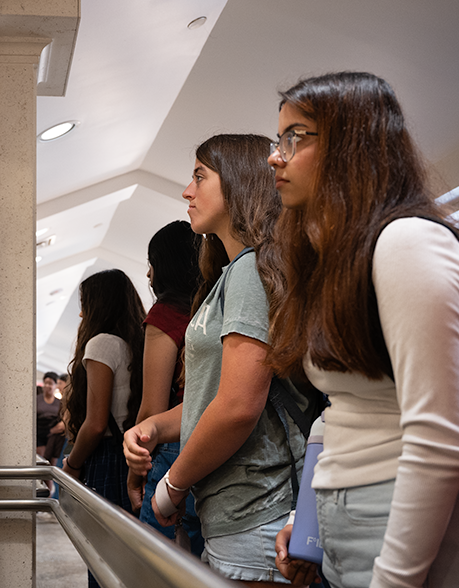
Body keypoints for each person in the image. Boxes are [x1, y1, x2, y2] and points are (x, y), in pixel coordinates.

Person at [266, 72, 459, 588]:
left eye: (296, 137)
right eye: (278, 139)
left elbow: (438, 438)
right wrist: (304, 521)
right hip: (350, 521)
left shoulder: (407, 243)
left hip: (418, 521)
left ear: (351, 146)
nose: (276, 156)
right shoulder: (342, 256)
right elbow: (343, 413)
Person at [124, 134, 309, 587]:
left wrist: (172, 486)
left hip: (255, 512)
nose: (187, 191)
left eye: (199, 176)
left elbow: (239, 406)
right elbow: (213, 397)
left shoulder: (250, 269)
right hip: (234, 514)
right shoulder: (231, 274)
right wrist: (154, 428)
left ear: (239, 184)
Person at [126, 220, 205, 555]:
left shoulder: (165, 314)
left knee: (156, 562)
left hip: (172, 447)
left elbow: (152, 407)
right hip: (211, 442)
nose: (148, 275)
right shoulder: (210, 305)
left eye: (151, 264)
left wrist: (134, 476)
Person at [62, 269, 144, 588]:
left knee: (103, 563)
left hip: (107, 461)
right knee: (128, 563)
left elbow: (95, 425)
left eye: (84, 303)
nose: (81, 312)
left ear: (99, 304)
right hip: (135, 455)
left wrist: (71, 464)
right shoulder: (135, 342)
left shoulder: (100, 344)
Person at [37, 371, 64, 463]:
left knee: (52, 464)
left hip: (54, 436)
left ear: (55, 385)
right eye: (46, 383)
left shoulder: (59, 403)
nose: (48, 386)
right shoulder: (37, 400)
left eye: (51, 383)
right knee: (41, 461)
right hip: (39, 434)